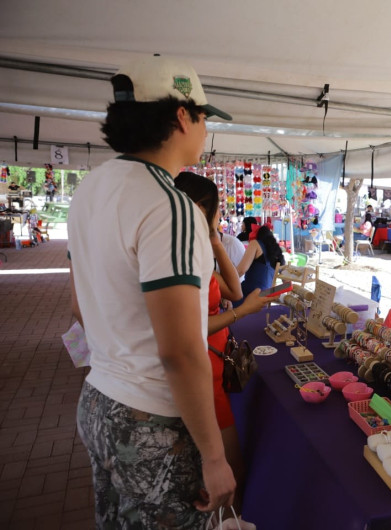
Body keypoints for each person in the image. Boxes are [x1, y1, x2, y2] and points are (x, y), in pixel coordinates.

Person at [68, 54, 236, 527]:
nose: (206, 130)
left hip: (99, 400)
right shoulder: (172, 207)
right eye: (204, 118)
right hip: (153, 423)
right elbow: (181, 351)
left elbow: (77, 305)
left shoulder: (91, 189)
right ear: (182, 116)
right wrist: (214, 455)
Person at [175, 172, 274, 529]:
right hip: (204, 370)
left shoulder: (197, 250)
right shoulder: (181, 258)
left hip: (216, 366)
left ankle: (230, 518)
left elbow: (233, 288)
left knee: (232, 466)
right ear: (202, 209)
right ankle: (229, 521)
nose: (221, 218)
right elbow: (190, 329)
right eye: (217, 212)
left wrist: (216, 242)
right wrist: (240, 314)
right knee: (231, 468)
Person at [236, 224, 285, 299]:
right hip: (266, 298)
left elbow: (241, 270)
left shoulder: (255, 244)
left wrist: (227, 283)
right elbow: (286, 282)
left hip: (249, 295)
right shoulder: (277, 253)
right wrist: (272, 292)